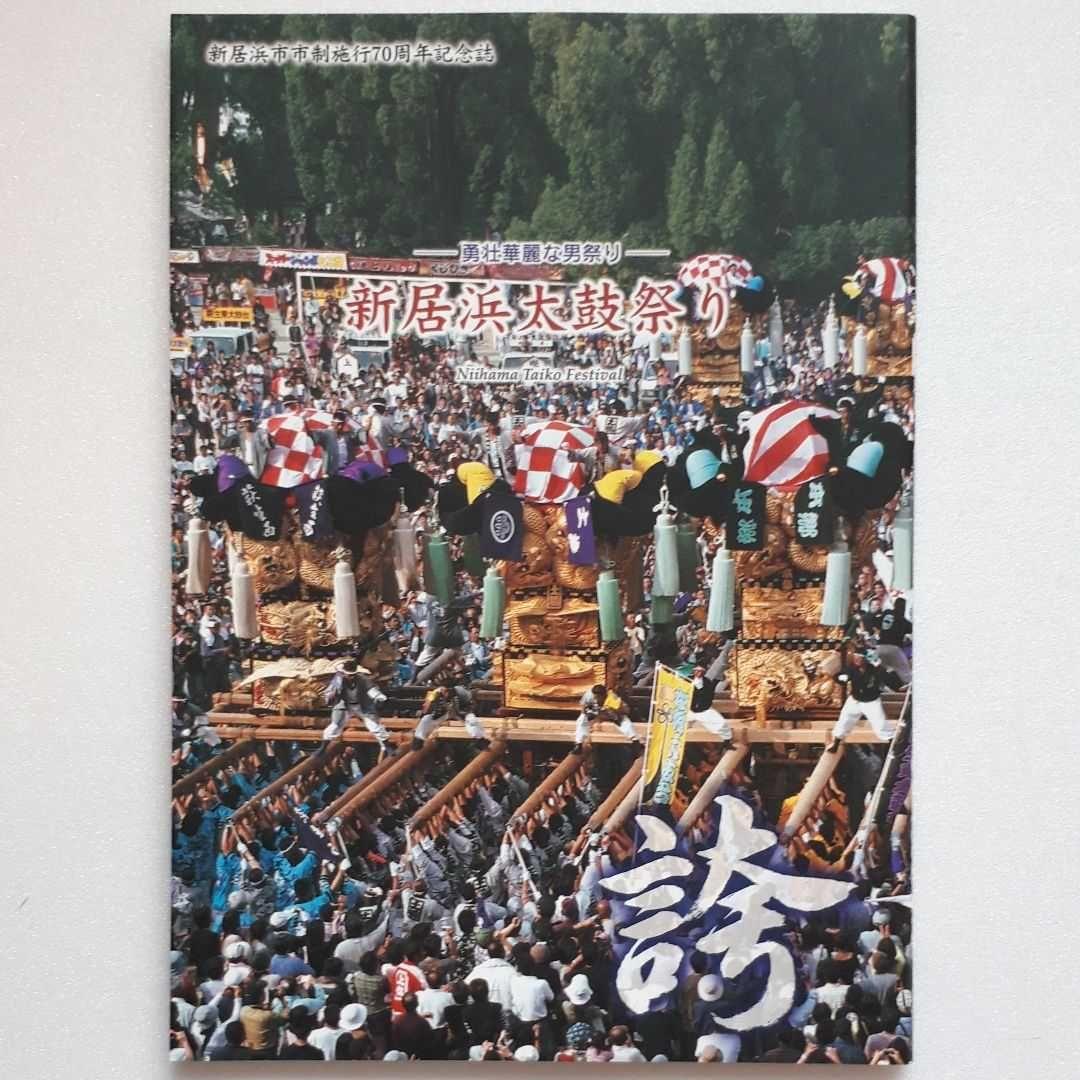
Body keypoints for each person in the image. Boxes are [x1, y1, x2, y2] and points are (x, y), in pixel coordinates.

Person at [827, 650, 905, 751]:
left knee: (880, 724)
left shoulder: (875, 670)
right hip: (855, 700)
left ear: (865, 659)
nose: (856, 659)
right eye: (855, 657)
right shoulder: (852, 669)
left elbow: (894, 682)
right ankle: (836, 743)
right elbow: (839, 676)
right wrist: (840, 678)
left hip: (871, 701)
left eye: (859, 658)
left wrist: (880, 666)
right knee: (844, 721)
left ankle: (893, 744)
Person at [322, 659, 392, 755]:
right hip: (344, 705)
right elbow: (330, 692)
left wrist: (379, 697)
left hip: (362, 705)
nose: (350, 677)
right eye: (348, 675)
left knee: (375, 726)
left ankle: (387, 747)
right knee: (335, 726)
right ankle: (323, 747)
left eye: (352, 675)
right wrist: (331, 696)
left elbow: (371, 690)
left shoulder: (362, 679)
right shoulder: (338, 680)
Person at [413, 684, 488, 750]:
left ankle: (480, 740)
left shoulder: (461, 691)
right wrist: (424, 714)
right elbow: (426, 705)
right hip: (444, 712)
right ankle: (418, 740)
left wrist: (463, 715)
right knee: (426, 719)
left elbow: (469, 703)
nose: (444, 692)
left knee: (471, 720)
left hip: (460, 710)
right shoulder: (434, 693)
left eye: (446, 690)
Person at [574, 683, 642, 752]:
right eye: (595, 697)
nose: (597, 699)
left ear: (604, 695)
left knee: (624, 720)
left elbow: (625, 711)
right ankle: (578, 744)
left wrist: (613, 714)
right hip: (595, 712)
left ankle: (635, 740)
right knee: (582, 719)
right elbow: (583, 709)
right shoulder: (589, 696)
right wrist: (591, 716)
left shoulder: (613, 698)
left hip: (609, 713)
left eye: (598, 697)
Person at [688, 656, 733, 749]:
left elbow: (709, 695)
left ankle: (727, 742)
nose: (698, 673)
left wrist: (704, 706)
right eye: (696, 671)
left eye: (700, 671)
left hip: (704, 709)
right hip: (689, 709)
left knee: (721, 724)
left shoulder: (707, 682)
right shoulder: (687, 680)